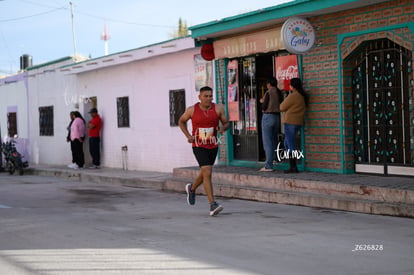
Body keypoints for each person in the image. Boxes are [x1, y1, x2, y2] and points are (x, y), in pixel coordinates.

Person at [179, 86, 230, 216]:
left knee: (204, 172)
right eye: (205, 96)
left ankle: (192, 188)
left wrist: (223, 128)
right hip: (198, 144)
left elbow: (226, 123)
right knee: (207, 171)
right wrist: (188, 136)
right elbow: (181, 121)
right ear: (199, 97)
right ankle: (213, 204)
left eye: (210, 96)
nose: (208, 98)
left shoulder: (218, 108)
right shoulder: (192, 110)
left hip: (213, 144)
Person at [280, 78, 309, 173]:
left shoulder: (293, 96)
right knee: (287, 143)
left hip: (290, 122)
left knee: (290, 144)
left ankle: (293, 167)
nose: (290, 86)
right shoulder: (302, 96)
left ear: (293, 86)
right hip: (297, 122)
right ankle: (292, 166)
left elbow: (282, 107)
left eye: (290, 85)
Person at [259, 77, 283, 172]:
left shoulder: (268, 92)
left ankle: (268, 165)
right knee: (274, 139)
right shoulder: (279, 92)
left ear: (269, 84)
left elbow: (264, 106)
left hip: (268, 116)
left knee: (267, 141)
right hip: (277, 117)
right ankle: (275, 159)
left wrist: (262, 102)